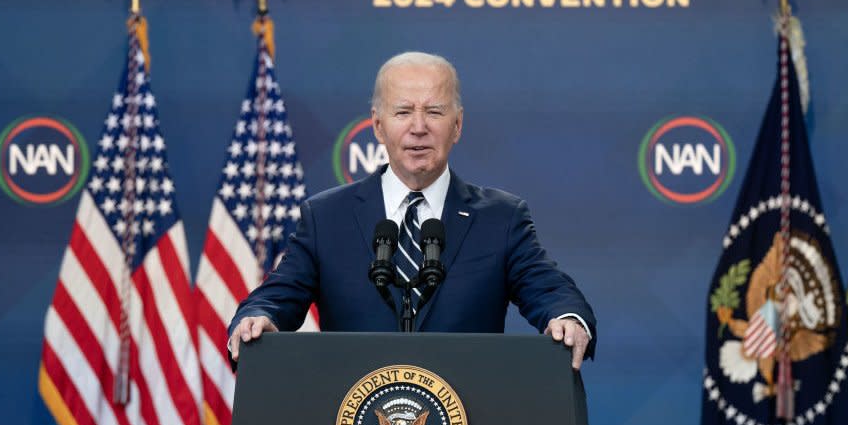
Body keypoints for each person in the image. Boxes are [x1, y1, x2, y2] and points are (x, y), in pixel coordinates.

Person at [228, 51, 596, 368]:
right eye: (403, 112)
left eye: (434, 111)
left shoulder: (500, 218)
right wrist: (258, 318)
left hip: (469, 424)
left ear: (457, 125)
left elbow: (549, 289)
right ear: (377, 125)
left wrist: (567, 318)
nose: (418, 128)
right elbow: (278, 295)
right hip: (354, 423)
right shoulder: (327, 218)